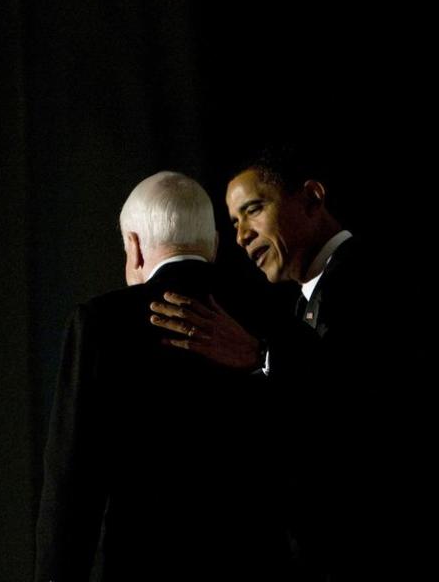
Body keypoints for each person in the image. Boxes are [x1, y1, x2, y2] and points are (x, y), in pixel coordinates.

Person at [149, 150, 399, 581]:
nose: (242, 235)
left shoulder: (376, 278)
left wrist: (261, 356)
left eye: (253, 210)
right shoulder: (296, 309)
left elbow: (366, 403)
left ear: (311, 198)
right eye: (233, 224)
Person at [34, 171, 295, 582]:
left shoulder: (99, 323)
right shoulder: (274, 314)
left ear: (134, 247)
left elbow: (72, 486)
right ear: (213, 244)